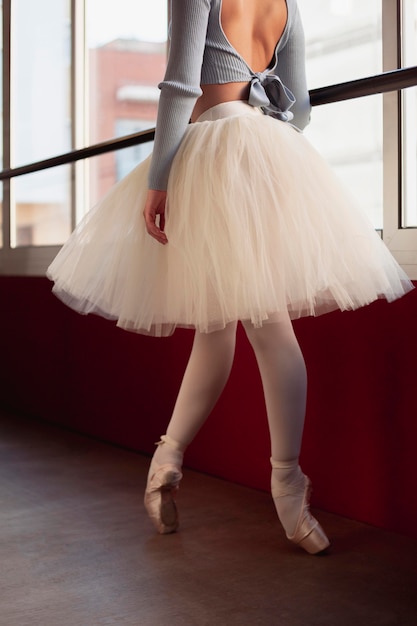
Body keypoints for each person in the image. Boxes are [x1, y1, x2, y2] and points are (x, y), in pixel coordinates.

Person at [47, 0, 413, 555]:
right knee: (252, 328)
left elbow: (177, 86)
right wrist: (260, 132)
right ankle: (248, 478)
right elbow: (302, 106)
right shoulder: (286, 6)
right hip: (268, 156)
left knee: (230, 330)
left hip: (210, 156)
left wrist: (159, 180)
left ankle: (218, 473)